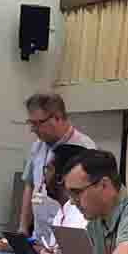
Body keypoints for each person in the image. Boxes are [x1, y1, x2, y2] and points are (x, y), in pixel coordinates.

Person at [20, 93, 94, 242]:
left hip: (69, 235)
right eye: (30, 123)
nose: (33, 129)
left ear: (57, 118)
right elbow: (30, 185)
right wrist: (23, 227)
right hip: (39, 237)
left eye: (38, 123)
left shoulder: (84, 148)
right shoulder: (37, 146)